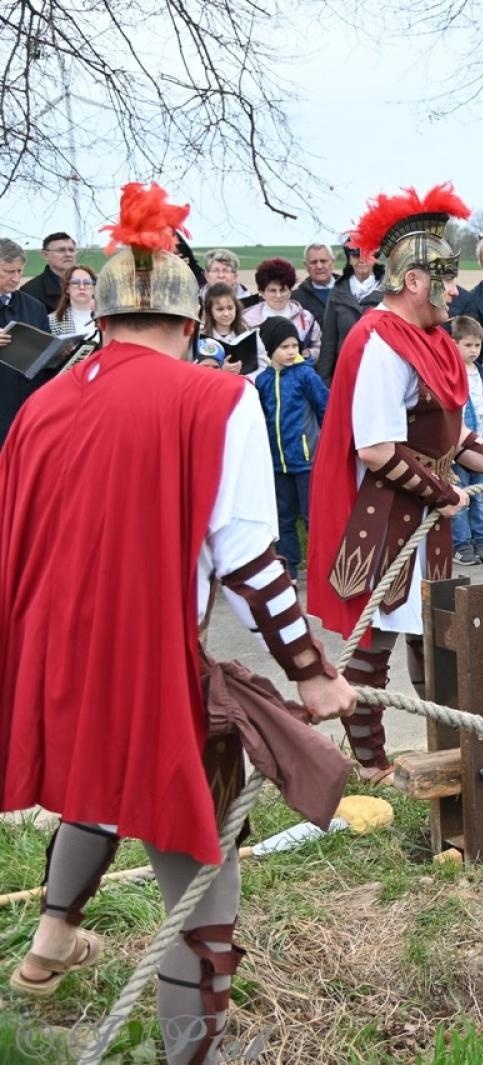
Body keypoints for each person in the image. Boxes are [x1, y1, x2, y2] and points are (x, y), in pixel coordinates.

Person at [1, 183, 358, 1065]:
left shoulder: (41, 404)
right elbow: (246, 563)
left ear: (104, 306)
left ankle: (51, 934)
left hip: (51, 658)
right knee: (206, 887)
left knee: (97, 777)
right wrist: (311, 668)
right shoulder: (213, 400)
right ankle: (189, 1058)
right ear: (193, 318)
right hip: (142, 660)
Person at [307, 183, 483, 783]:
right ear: (416, 281)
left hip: (427, 512)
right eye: (445, 281)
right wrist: (442, 494)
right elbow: (374, 449)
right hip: (388, 513)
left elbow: (457, 440)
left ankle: (449, 754)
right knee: (374, 643)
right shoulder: (376, 341)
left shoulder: (431, 340)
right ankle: (369, 764)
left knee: (434, 632)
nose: (454, 292)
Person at [254, 316, 329, 580]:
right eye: (284, 346)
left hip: (306, 462)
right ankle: (289, 569)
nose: (291, 351)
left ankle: (323, 568)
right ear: (270, 348)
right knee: (283, 520)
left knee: (312, 517)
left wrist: (325, 448)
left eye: (294, 345)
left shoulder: (306, 375)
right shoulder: (262, 381)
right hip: (276, 463)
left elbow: (325, 408)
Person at [447, 316, 483, 565]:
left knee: (480, 498)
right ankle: (461, 544)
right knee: (461, 498)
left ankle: (481, 540)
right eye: (468, 345)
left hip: (482, 445)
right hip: (458, 450)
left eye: (477, 345)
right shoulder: (449, 373)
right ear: (454, 344)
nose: (473, 350)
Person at [0, 237, 54, 448]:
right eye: (8, 272)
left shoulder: (33, 306)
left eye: (19, 271)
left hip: (28, 401)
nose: (15, 278)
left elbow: (48, 348)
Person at [318, 240, 384, 383]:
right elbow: (329, 340)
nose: (361, 260)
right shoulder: (337, 290)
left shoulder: (390, 291)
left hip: (380, 371)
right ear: (349, 258)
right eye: (355, 255)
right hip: (346, 372)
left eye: (367, 254)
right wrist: (324, 381)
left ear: (376, 256)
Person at [243, 257, 322, 365]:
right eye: (272, 290)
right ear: (262, 291)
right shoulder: (247, 320)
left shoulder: (306, 319)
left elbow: (319, 347)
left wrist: (307, 354)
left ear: (291, 289)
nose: (278, 295)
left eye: (283, 290)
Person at [21, 231, 75, 311]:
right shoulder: (30, 291)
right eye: (61, 250)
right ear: (45, 255)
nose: (68, 254)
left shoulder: (92, 283)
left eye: (71, 250)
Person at [291, 242, 338, 321]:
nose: (319, 266)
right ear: (306, 265)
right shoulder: (297, 298)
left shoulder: (349, 289)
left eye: (323, 261)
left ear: (333, 262)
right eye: (313, 262)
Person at [49, 265, 97, 336]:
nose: (82, 287)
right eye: (75, 283)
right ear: (67, 288)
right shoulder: (52, 322)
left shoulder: (108, 317)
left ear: (94, 288)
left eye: (87, 283)